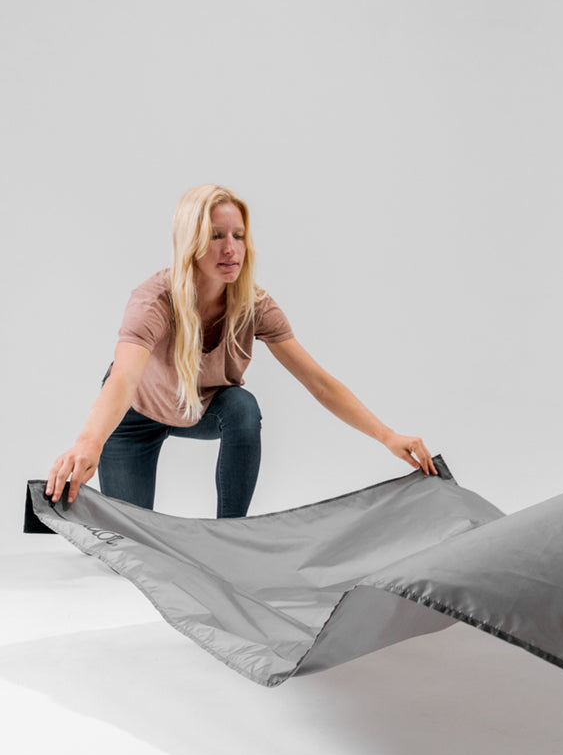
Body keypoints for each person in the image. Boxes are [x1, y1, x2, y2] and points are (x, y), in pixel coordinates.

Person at [45, 183, 437, 515]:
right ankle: (76, 506)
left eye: (238, 235)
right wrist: (88, 442)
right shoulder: (154, 302)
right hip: (135, 414)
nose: (230, 248)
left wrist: (387, 436)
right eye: (216, 236)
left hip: (199, 408)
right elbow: (125, 378)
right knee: (130, 546)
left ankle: (230, 537)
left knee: (242, 408)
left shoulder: (255, 306)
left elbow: (319, 382)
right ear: (191, 242)